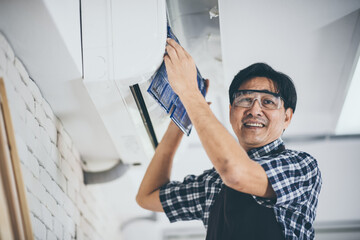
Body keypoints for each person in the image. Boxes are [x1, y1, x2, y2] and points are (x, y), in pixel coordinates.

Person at [136, 38, 322, 240]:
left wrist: (190, 92)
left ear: (287, 117)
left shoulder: (302, 167)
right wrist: (181, 118)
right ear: (231, 110)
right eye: (245, 99)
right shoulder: (213, 183)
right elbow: (147, 197)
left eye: (268, 102)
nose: (254, 110)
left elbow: (236, 173)